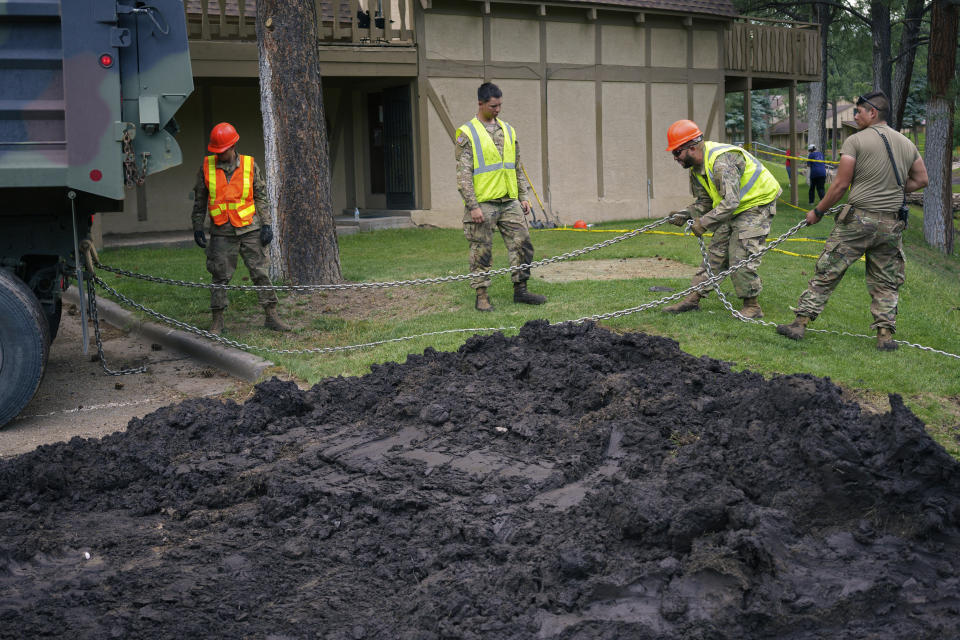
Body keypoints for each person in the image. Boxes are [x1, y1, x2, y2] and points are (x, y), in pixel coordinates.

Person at [776, 91, 928, 351]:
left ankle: (799, 323)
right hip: (891, 225)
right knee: (886, 280)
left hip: (858, 220)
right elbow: (922, 180)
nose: (855, 116)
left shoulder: (855, 142)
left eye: (858, 111)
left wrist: (818, 211)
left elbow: (840, 185)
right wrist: (892, 192)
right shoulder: (906, 143)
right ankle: (885, 336)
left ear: (873, 112)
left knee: (828, 269)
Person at [663, 119, 782, 319]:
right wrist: (684, 215)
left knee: (741, 254)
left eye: (677, 152)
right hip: (732, 208)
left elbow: (731, 202)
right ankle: (693, 298)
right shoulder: (697, 169)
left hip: (756, 204)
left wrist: (704, 223)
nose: (675, 158)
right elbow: (705, 202)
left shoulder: (721, 162)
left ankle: (752, 306)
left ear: (692, 148)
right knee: (716, 253)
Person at [191, 122, 291, 335]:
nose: (220, 154)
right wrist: (197, 226)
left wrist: (266, 224)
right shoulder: (206, 166)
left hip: (250, 229)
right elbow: (200, 200)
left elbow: (261, 196)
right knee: (219, 276)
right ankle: (217, 321)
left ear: (233, 145)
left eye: (223, 150)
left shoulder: (249, 165)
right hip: (221, 231)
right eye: (217, 150)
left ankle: (271, 316)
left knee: (260, 272)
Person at [456, 82, 545, 311]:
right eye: (493, 106)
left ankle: (521, 290)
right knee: (481, 250)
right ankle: (482, 296)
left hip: (509, 202)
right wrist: (472, 205)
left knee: (523, 243)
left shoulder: (508, 130)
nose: (497, 110)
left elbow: (516, 166)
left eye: (500, 105)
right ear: (481, 103)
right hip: (483, 204)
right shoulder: (468, 133)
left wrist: (523, 196)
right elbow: (464, 174)